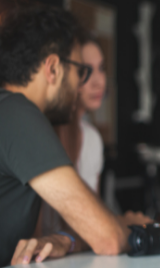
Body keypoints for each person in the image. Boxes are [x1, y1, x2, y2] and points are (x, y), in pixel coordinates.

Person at [0, 5, 130, 267]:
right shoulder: (17, 115)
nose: (80, 84)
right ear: (53, 68)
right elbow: (109, 238)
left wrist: (65, 239)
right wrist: (125, 224)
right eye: (79, 70)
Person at [39, 34, 151, 237]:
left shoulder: (91, 138)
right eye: (85, 71)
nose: (99, 81)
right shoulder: (43, 132)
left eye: (101, 68)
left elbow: (89, 224)